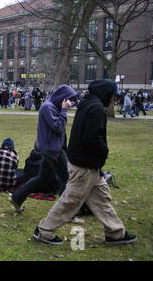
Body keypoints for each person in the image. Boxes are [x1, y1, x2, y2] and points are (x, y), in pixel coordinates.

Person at [33, 79, 137, 245]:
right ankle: (44, 230)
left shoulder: (89, 104)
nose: (113, 100)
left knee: (102, 199)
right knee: (70, 201)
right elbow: (91, 138)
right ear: (106, 93)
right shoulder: (95, 108)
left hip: (89, 165)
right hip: (84, 166)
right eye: (112, 96)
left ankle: (115, 232)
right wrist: (104, 150)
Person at [10, 85, 76, 213]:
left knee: (41, 178)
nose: (71, 103)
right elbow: (58, 127)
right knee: (66, 180)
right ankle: (63, 212)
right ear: (62, 97)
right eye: (69, 99)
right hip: (53, 151)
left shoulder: (52, 107)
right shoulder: (47, 107)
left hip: (52, 149)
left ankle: (17, 198)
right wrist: (64, 110)